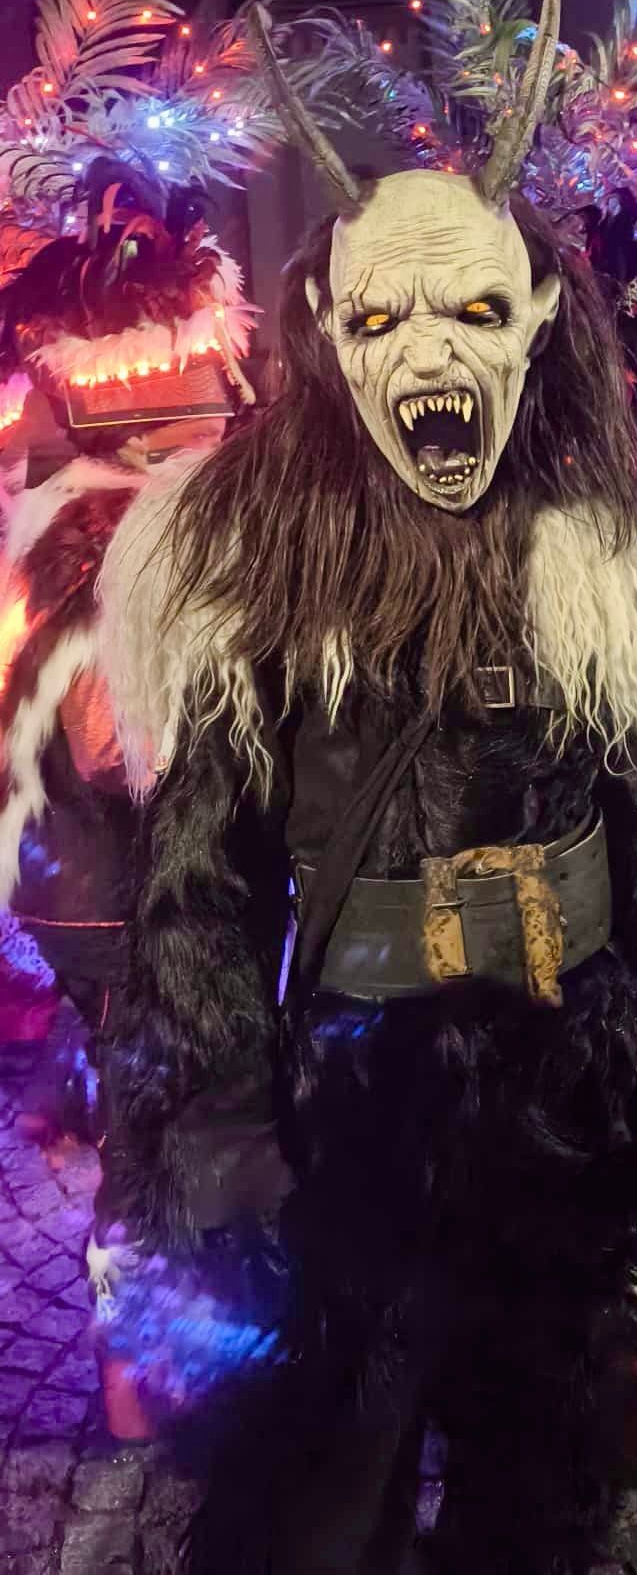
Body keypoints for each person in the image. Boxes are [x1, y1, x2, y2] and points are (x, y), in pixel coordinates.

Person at [95, 0, 637, 1573]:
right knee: (319, 1502)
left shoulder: (608, 562)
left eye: (473, 312)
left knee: (537, 1504)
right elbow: (199, 887)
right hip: (346, 1117)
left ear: (537, 320)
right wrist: (221, 1145)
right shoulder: (254, 567)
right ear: (328, 329)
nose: (429, 353)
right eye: (384, 321)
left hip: (568, 1100)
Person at [0, 158, 256, 1436]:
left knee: (152, 1107)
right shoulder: (116, 546)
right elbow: (119, 746)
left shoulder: (70, 526)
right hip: (127, 895)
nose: (230, 427)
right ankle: (141, 1377)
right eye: (207, 419)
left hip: (93, 890)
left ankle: (150, 1362)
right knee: (162, 1123)